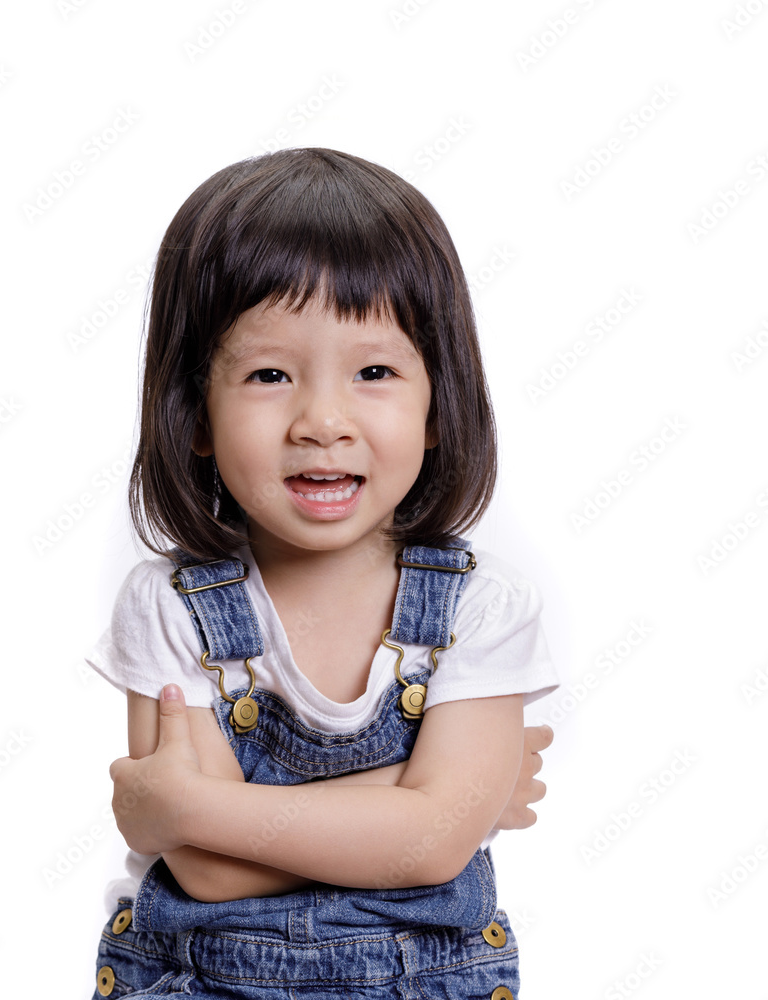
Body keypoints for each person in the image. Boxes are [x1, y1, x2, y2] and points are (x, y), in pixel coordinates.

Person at [86, 147, 560, 999]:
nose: (323, 420)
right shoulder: (168, 610)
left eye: (374, 372)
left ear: (437, 408)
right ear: (194, 413)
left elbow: (433, 847)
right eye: (270, 375)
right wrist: (417, 799)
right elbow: (210, 877)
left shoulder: (483, 608)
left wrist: (187, 806)